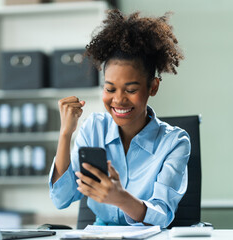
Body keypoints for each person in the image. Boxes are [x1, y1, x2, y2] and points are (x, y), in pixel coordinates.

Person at [49, 9, 190, 228]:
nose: (118, 100)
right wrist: (65, 133)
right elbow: (61, 198)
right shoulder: (93, 128)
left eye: (131, 89)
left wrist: (120, 198)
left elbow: (163, 215)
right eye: (110, 88)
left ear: (152, 87)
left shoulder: (174, 143)